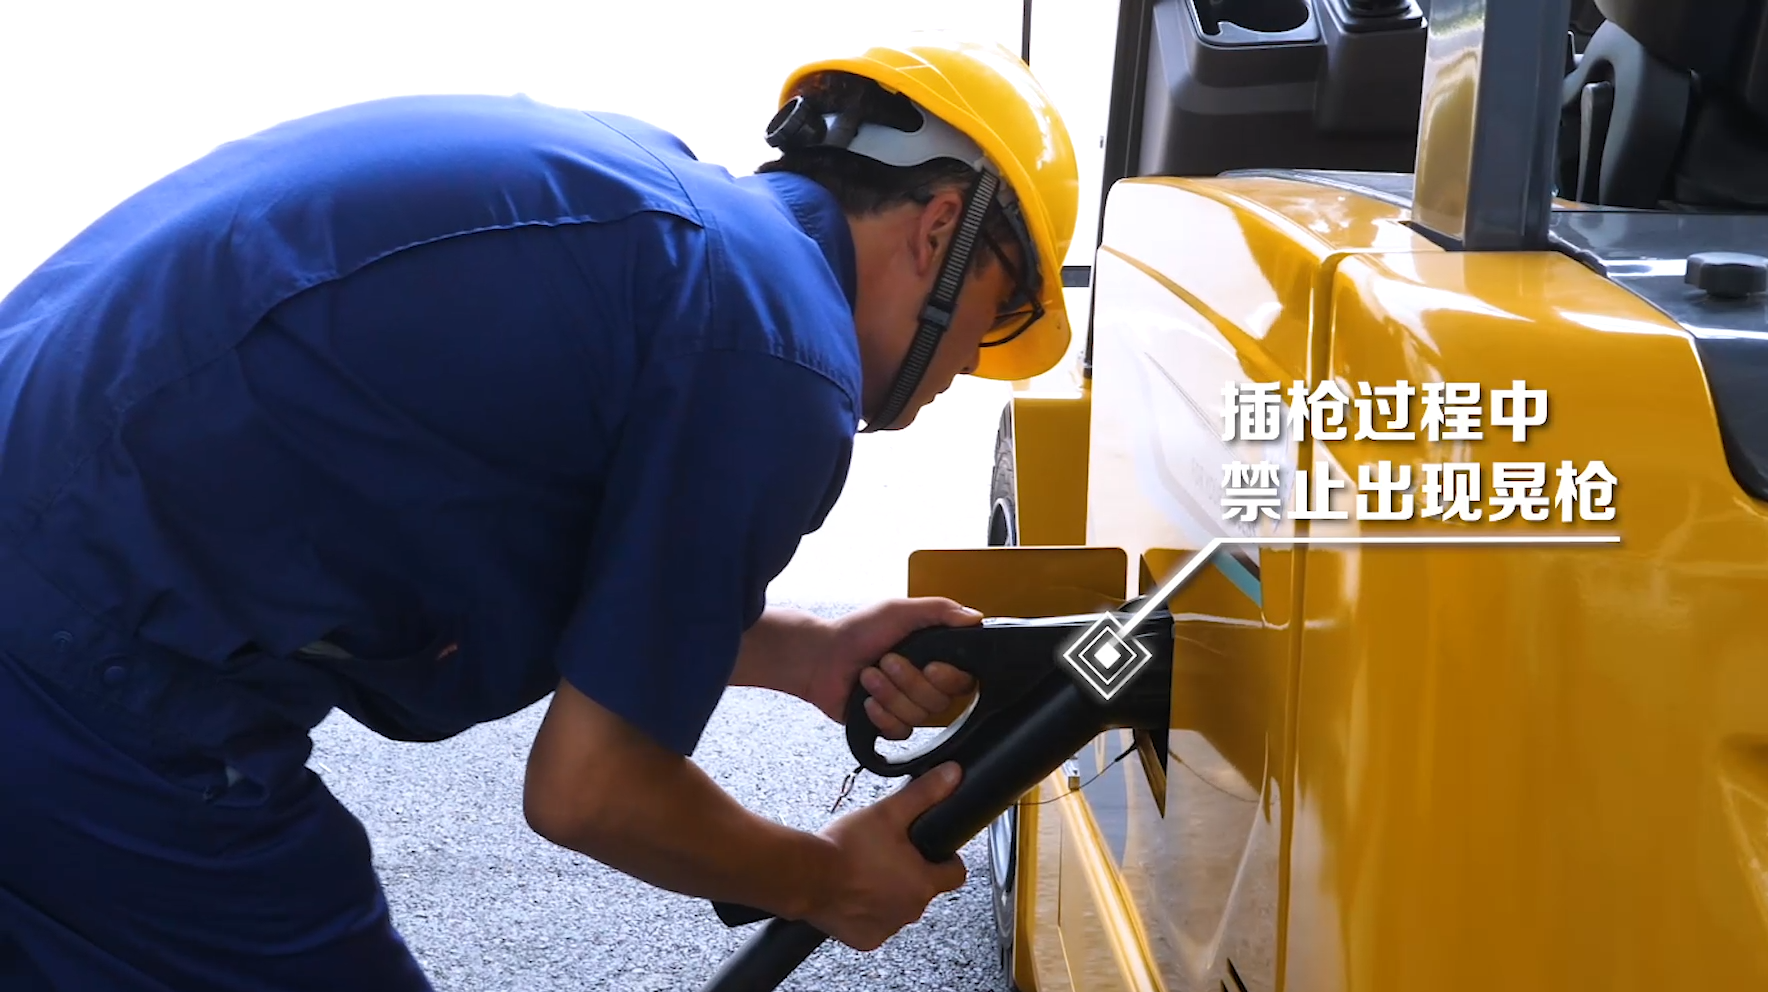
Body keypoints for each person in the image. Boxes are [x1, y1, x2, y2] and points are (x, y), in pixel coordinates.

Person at [0, 32, 1079, 992]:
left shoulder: (664, 224)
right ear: (940, 231)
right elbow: (592, 789)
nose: (966, 369)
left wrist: (803, 653)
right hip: (86, 657)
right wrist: (827, 878)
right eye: (1001, 315)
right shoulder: (778, 351)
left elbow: (523, 529)